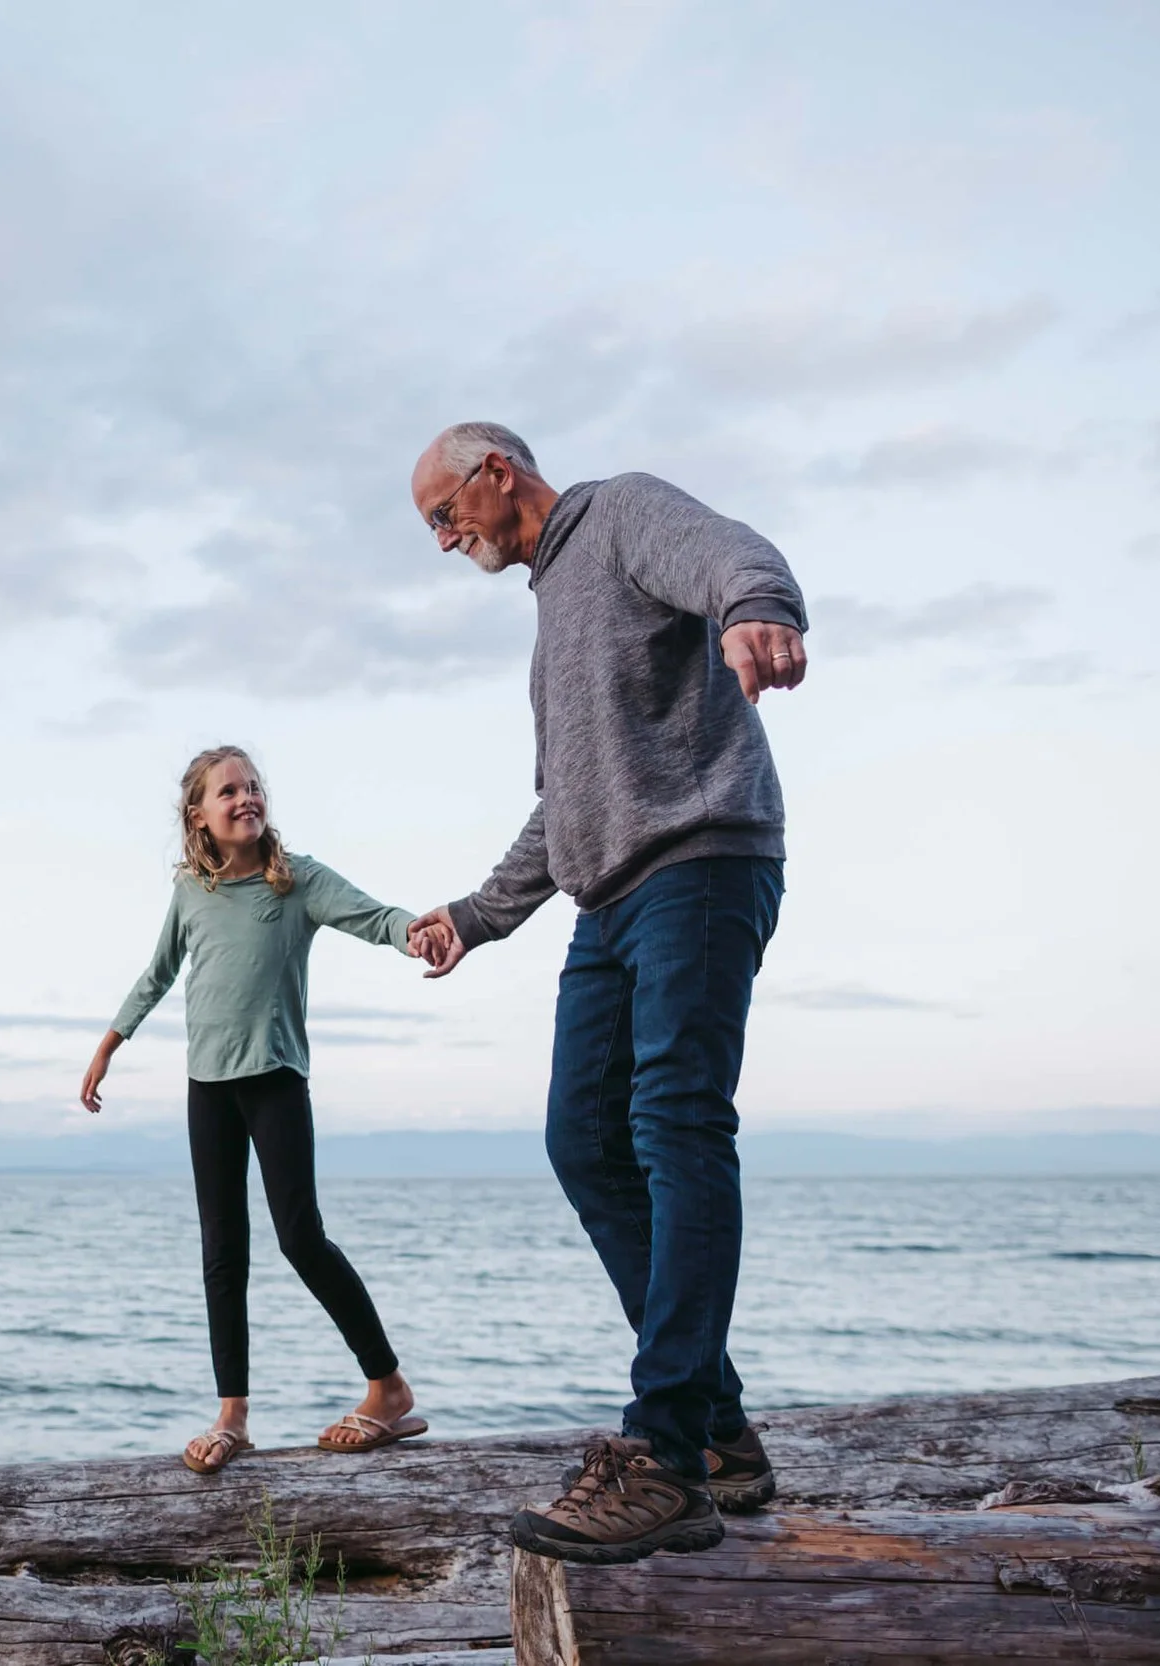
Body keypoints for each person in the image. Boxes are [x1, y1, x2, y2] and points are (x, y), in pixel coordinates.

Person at [404, 421, 809, 1566]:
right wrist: (474, 918)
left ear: (495, 471)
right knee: (582, 1140)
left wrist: (754, 608)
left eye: (444, 515)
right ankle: (720, 1427)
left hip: (700, 865)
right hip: (608, 901)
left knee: (675, 1122)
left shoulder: (619, 513)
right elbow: (561, 810)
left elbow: (728, 551)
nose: (444, 542)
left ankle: (668, 1454)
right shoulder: (548, 621)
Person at [81, 745, 428, 1475]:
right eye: (229, 791)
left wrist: (415, 932)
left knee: (300, 1237)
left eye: (253, 787)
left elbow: (373, 916)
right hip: (206, 1085)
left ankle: (388, 1388)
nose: (246, 798)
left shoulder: (295, 880)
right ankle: (233, 1415)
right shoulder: (190, 893)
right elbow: (158, 973)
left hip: (273, 1079)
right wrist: (109, 1045)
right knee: (221, 1251)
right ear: (199, 816)